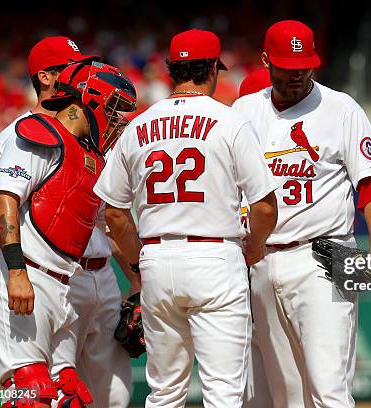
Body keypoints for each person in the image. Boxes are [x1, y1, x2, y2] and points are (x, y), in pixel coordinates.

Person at [93, 29, 278, 408]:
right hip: (215, 257)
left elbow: (113, 210)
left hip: (158, 259)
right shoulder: (229, 121)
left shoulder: (138, 125)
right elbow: (264, 207)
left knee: (164, 391)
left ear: (172, 71)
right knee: (223, 391)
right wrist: (254, 247)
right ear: (212, 69)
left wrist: (136, 264)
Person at [233, 20, 371, 407]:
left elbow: (370, 184)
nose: (298, 73)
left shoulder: (341, 108)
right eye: (288, 66)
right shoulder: (244, 109)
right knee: (280, 391)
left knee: (328, 386)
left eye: (305, 64)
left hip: (327, 252)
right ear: (267, 61)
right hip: (262, 258)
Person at [0, 60, 136, 408]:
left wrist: (138, 283)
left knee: (69, 396)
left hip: (62, 287)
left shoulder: (91, 155)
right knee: (31, 395)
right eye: (114, 107)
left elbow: (113, 223)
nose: (119, 118)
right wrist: (16, 271)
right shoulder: (35, 133)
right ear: (90, 100)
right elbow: (5, 200)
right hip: (20, 278)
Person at [0, 36, 96, 252]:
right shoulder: (11, 137)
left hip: (85, 272)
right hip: (35, 270)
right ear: (44, 77)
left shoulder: (89, 136)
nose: (82, 75)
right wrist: (15, 272)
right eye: (72, 68)